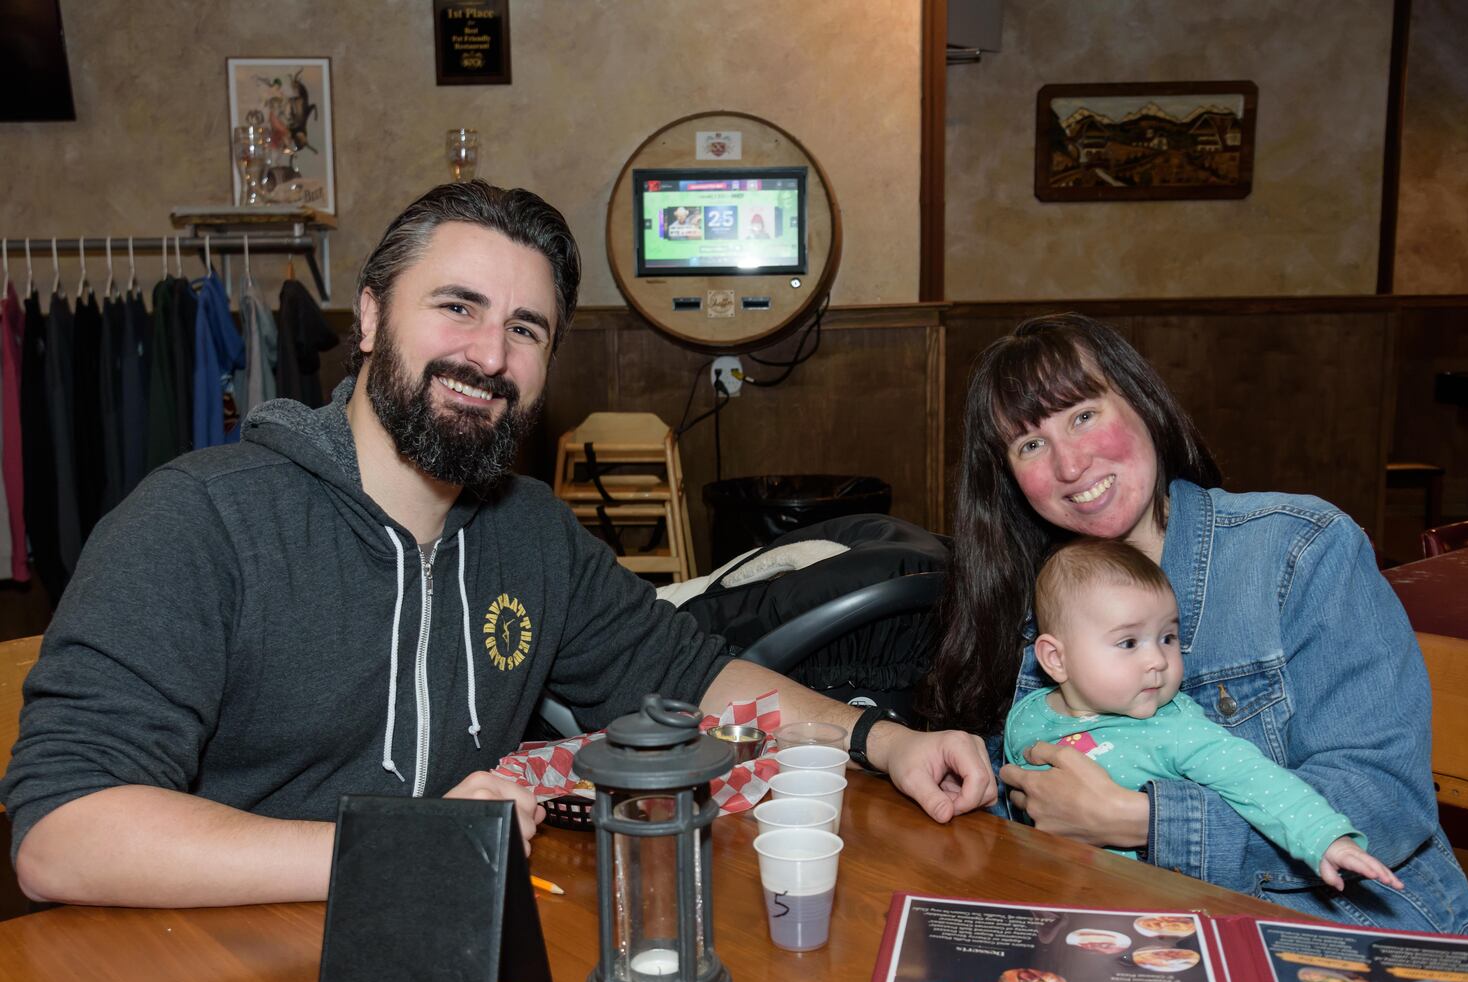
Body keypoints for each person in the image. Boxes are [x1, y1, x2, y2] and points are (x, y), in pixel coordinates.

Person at [0, 181, 996, 909]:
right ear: (373, 317)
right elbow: (63, 831)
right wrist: (400, 850)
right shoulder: (198, 521)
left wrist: (881, 737)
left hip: (442, 940)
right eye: (457, 307)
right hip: (206, 958)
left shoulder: (529, 533)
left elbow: (693, 676)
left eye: (526, 329)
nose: (489, 355)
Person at [918, 312, 1468, 934]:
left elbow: (1386, 805)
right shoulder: (1031, 598)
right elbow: (1031, 796)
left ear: (1142, 402)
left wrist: (1142, 821)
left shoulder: (1300, 550)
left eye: (1083, 415)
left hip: (1343, 934)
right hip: (1137, 932)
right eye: (1030, 444)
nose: (1070, 464)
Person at [1006, 537, 1401, 893]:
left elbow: (1256, 780)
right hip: (1050, 894)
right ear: (1055, 659)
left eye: (1168, 637)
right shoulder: (1028, 714)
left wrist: (1324, 838)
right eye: (1128, 642)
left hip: (1153, 910)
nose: (1157, 660)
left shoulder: (1176, 728)